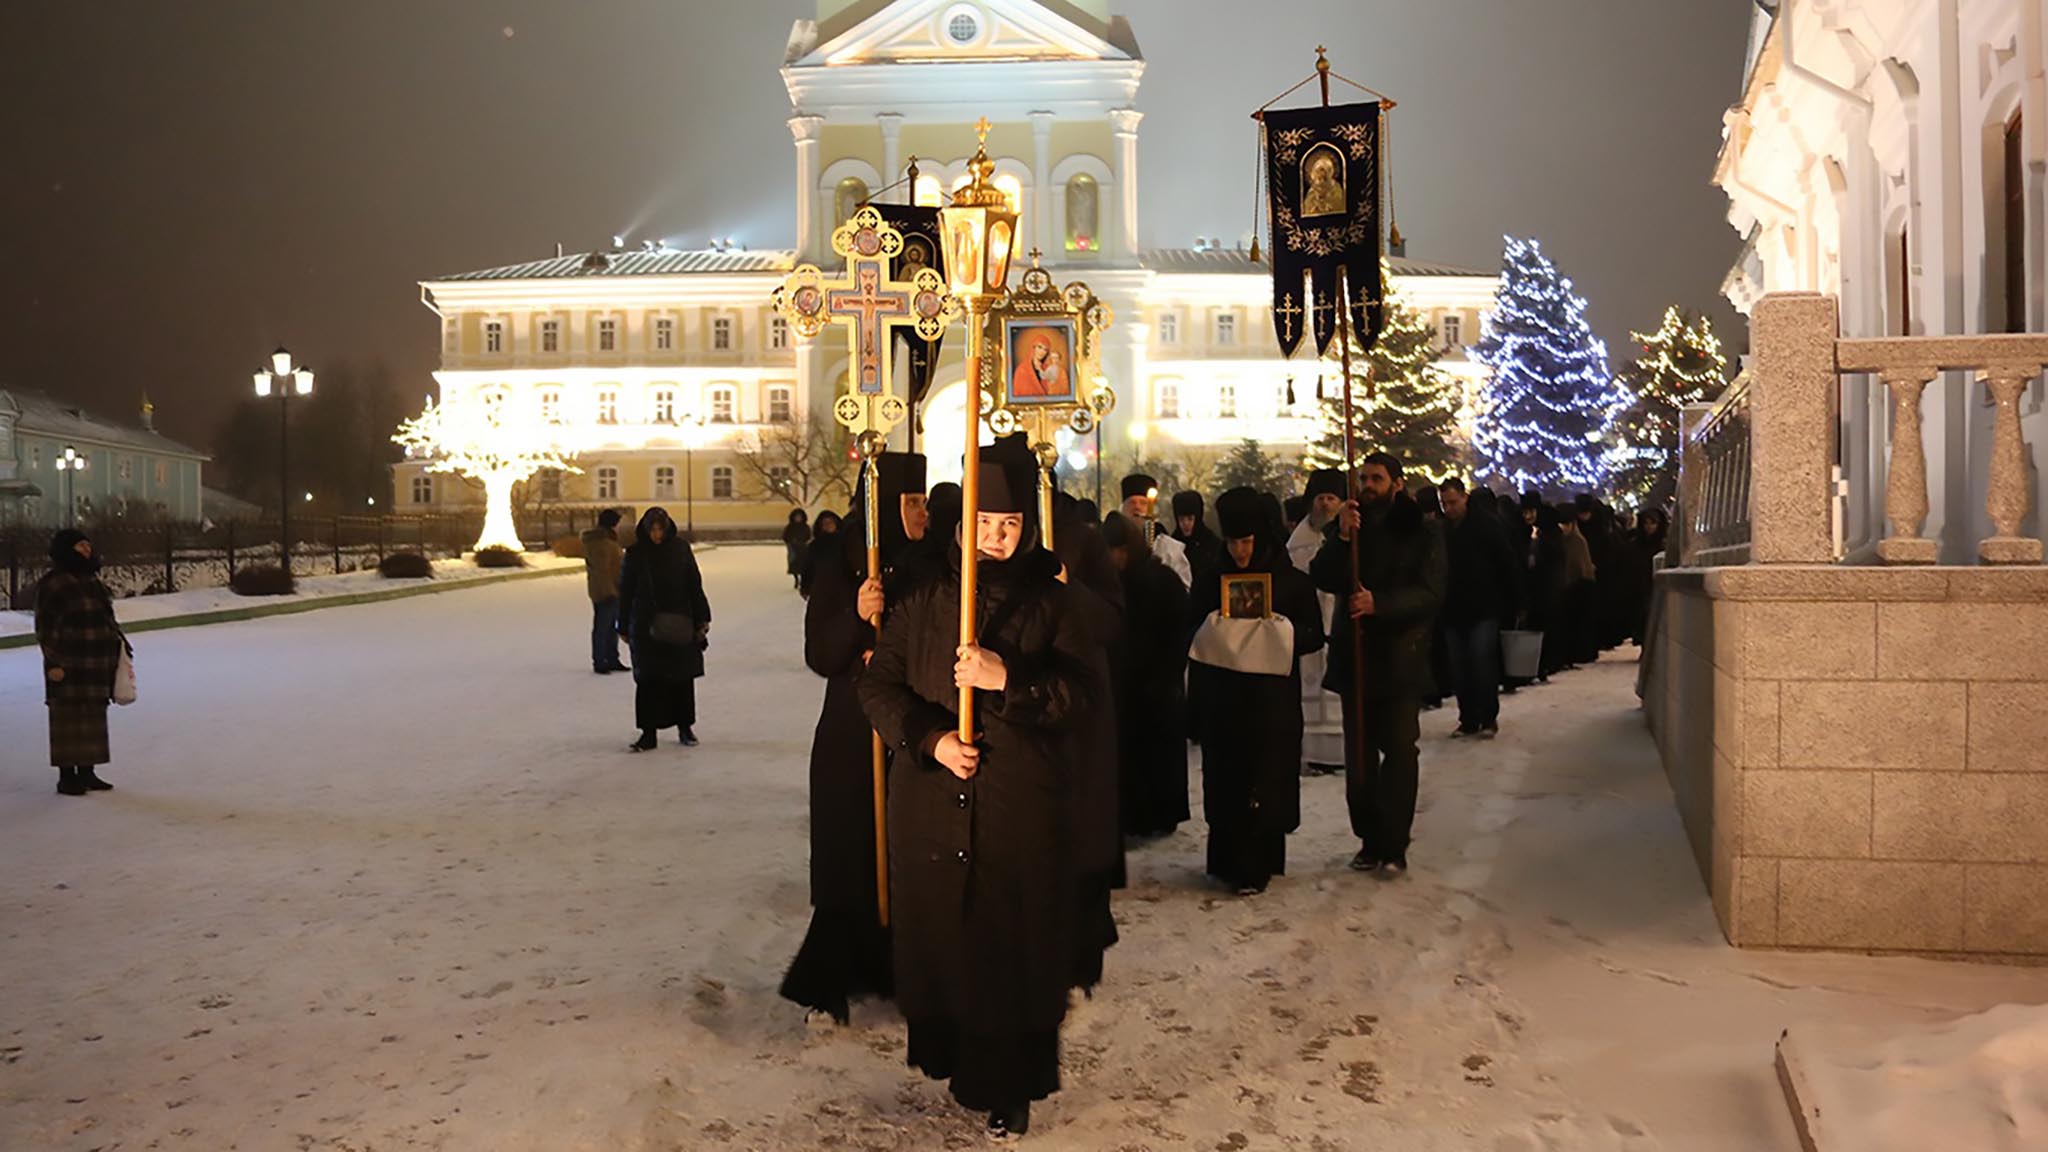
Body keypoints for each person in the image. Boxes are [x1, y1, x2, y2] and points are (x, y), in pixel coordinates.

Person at [857, 444, 1107, 1140]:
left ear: (1026, 528)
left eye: (1009, 524)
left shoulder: (1053, 602)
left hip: (1017, 808)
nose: (995, 536)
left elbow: (1082, 695)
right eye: (984, 521)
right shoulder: (925, 598)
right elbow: (877, 685)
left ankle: (1011, 1088)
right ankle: (952, 1059)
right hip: (933, 805)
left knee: (1009, 952)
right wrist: (930, 737)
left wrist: (1010, 681)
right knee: (949, 946)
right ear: (962, 524)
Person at [780, 453, 929, 1025]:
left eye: (920, 502)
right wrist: (856, 614)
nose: (919, 514)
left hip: (908, 732)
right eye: (909, 503)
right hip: (852, 734)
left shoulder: (929, 565)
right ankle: (827, 982)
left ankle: (896, 968)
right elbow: (821, 654)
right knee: (851, 857)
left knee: (905, 858)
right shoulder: (843, 566)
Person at [1312, 453, 1445, 876]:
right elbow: (1324, 575)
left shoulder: (1422, 532)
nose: (1368, 485)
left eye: (1377, 478)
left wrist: (1380, 604)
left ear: (1397, 483)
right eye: (1363, 478)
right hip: (1357, 660)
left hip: (1399, 659)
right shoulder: (1352, 525)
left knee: (1401, 752)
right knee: (1360, 760)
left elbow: (1430, 592)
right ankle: (1370, 839)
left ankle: (1394, 843)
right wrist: (1342, 540)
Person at [1189, 488, 1325, 895]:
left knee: (1265, 778)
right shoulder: (1210, 578)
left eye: (1246, 542)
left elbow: (1314, 635)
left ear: (1260, 539)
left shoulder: (1291, 582)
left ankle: (1259, 865)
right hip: (1223, 703)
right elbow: (1189, 632)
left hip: (1271, 706)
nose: (1239, 552)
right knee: (1226, 778)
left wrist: (1275, 631)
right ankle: (1226, 860)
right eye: (1232, 542)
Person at [1101, 511, 1189, 839]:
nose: (1117, 557)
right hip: (1123, 685)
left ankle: (1161, 815)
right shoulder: (1107, 584)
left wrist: (1164, 674)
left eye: (1122, 549)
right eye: (1111, 550)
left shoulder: (1162, 580)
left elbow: (1178, 630)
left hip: (1157, 685)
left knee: (1158, 757)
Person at [36, 529, 126, 796]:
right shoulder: (54, 583)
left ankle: (87, 772)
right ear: (66, 550)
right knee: (67, 719)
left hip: (97, 662)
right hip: (68, 663)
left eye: (87, 544)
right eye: (79, 546)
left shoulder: (92, 580)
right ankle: (67, 777)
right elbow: (45, 626)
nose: (86, 550)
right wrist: (53, 661)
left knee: (93, 717)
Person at [618, 507, 711, 751]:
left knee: (681, 678)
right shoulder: (636, 553)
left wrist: (702, 617)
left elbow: (694, 583)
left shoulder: (680, 549)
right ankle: (648, 733)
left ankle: (685, 727)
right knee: (648, 680)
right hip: (645, 625)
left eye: (660, 529)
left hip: (679, 621)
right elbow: (625, 590)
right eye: (652, 530)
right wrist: (622, 623)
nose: (657, 535)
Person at [1438, 480, 1521, 738]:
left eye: (1452, 502)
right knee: (1460, 666)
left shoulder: (1486, 525)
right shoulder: (1443, 530)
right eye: (1444, 504)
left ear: (1464, 498)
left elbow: (1506, 562)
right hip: (1452, 608)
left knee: (1481, 663)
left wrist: (1514, 600)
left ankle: (1487, 718)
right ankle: (1469, 718)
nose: (1448, 508)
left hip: (1483, 606)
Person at [1287, 469, 1348, 776]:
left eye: (1331, 499)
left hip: (1339, 617)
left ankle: (1342, 752)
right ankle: (1313, 752)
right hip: (1312, 620)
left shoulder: (1348, 535)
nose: (1325, 505)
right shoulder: (1297, 542)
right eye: (1320, 499)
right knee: (1310, 684)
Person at [1119, 474, 1191, 589]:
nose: (1137, 507)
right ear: (1122, 509)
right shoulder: (1113, 544)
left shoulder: (1169, 547)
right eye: (1132, 502)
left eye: (1143, 503)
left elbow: (1184, 586)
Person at [583, 509, 629, 674]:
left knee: (611, 627)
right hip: (606, 591)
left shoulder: (607, 541)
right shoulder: (601, 543)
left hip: (612, 590)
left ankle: (611, 658)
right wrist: (609, 591)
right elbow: (601, 571)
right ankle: (600, 660)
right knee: (603, 627)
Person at [1169, 490, 1223, 579]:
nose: (1185, 524)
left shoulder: (1212, 544)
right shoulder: (1173, 544)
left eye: (1190, 519)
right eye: (1181, 519)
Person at [799, 510, 844, 599]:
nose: (828, 525)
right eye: (825, 523)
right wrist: (805, 587)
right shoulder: (815, 545)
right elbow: (808, 567)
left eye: (831, 522)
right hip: (820, 588)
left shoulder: (845, 542)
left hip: (842, 588)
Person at [782, 508, 812, 591]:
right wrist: (791, 541)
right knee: (794, 565)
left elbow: (808, 536)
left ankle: (802, 581)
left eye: (799, 517)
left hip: (803, 549)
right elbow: (785, 536)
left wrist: (803, 541)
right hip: (793, 549)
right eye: (796, 517)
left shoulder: (805, 527)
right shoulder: (790, 527)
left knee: (803, 566)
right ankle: (796, 579)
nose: (798, 518)